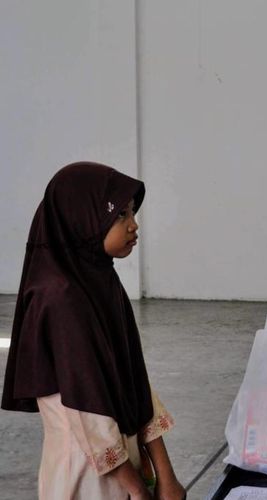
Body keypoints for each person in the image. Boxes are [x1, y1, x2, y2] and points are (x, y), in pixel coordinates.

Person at [1, 163, 186, 500]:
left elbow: (136, 381)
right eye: (120, 215)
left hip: (125, 467)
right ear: (81, 218)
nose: (133, 224)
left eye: (132, 212)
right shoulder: (59, 299)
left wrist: (165, 475)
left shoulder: (101, 280)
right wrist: (137, 490)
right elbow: (84, 411)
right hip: (87, 478)